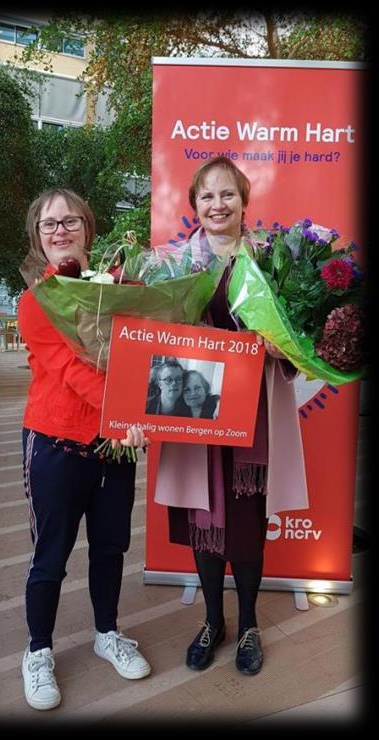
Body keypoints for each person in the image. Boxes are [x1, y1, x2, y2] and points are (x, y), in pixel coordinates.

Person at [154, 156, 308, 676]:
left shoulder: (273, 261)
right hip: (194, 414)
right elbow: (154, 339)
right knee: (202, 522)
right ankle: (211, 621)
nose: (216, 205)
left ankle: (247, 626)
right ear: (194, 205)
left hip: (252, 418)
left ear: (244, 201)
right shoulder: (171, 265)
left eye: (227, 195)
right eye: (206, 196)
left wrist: (277, 346)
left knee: (244, 525)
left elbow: (298, 343)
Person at [17, 188, 152, 711]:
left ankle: (106, 633)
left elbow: (150, 352)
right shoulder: (36, 301)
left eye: (70, 221)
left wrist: (144, 414)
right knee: (49, 558)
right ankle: (38, 649)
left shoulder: (125, 290)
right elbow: (69, 371)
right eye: (49, 224)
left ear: (88, 230)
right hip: (54, 444)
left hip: (113, 449)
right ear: (38, 237)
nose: (60, 231)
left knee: (111, 547)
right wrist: (123, 417)